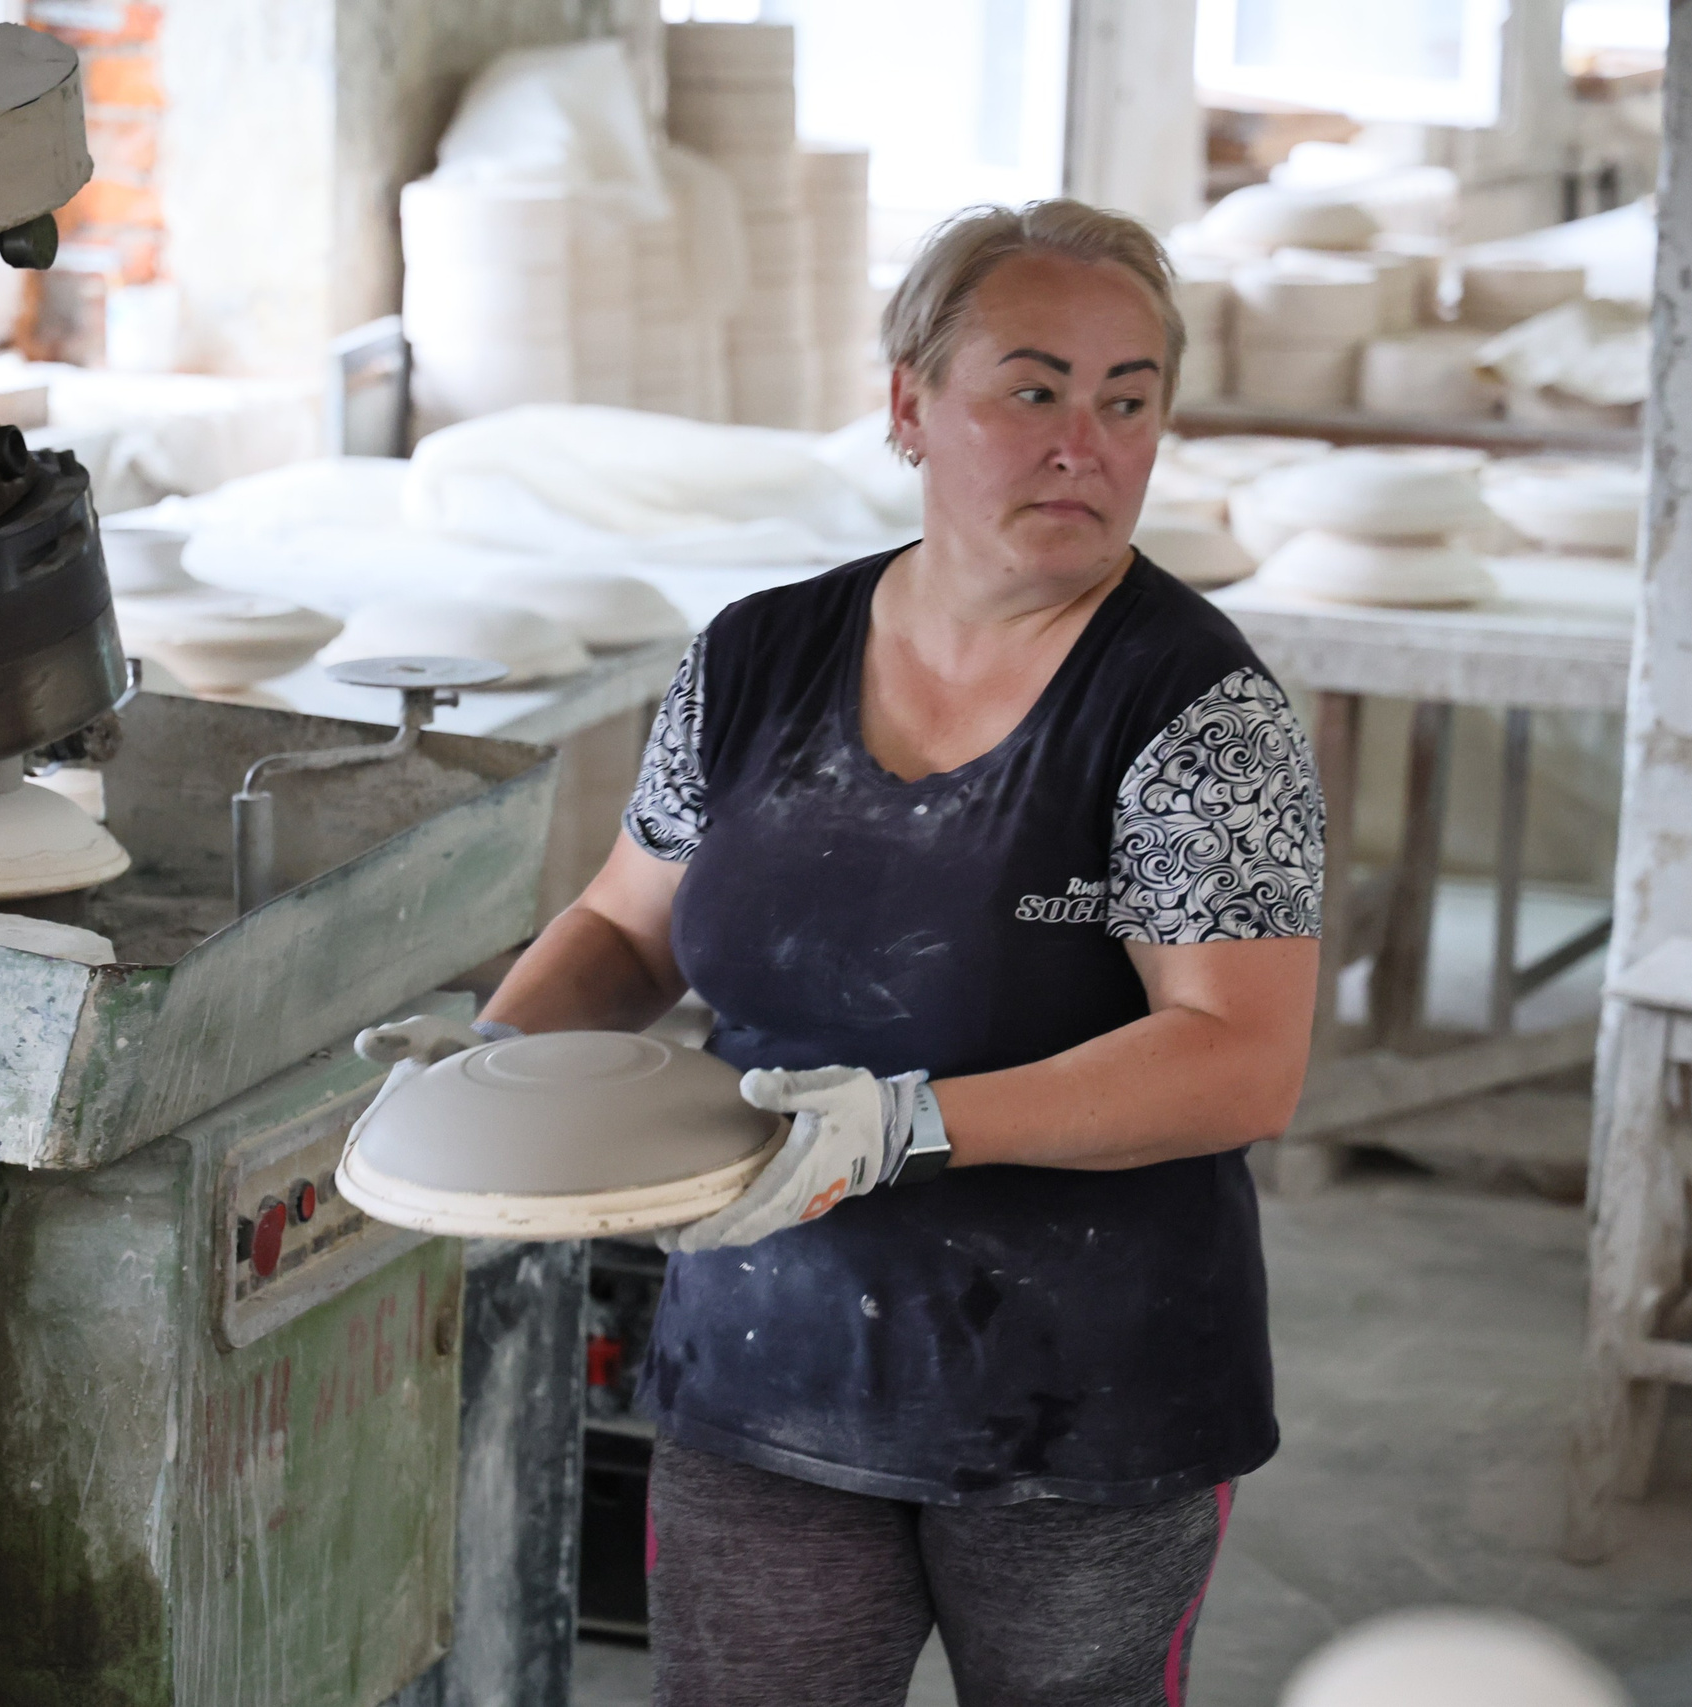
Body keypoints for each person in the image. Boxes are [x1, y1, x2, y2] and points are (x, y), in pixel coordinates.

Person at [363, 199, 1324, 1706]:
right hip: (767, 1357)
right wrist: (493, 1066)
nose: (1087, 440)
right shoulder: (757, 657)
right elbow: (629, 925)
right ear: (908, 406)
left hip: (1084, 1396)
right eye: (1034, 389)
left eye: (1128, 398)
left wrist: (912, 1126)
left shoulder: (1195, 712)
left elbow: (1239, 1059)